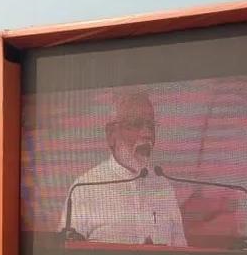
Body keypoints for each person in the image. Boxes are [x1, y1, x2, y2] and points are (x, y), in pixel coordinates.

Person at [59, 91, 186, 246]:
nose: (147, 134)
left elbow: (182, 250)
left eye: (151, 126)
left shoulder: (163, 187)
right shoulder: (85, 188)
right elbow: (67, 252)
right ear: (111, 135)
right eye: (135, 124)